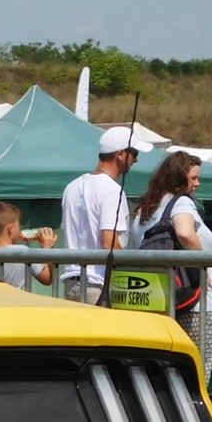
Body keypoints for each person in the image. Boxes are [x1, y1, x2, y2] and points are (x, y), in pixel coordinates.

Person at [130, 150, 212, 380]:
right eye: (193, 178)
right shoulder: (181, 203)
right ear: (179, 178)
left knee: (161, 373)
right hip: (194, 300)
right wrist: (203, 263)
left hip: (156, 299)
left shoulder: (145, 209)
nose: (197, 184)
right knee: (197, 371)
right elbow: (185, 232)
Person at [60, 125, 152, 304]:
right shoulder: (112, 190)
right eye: (134, 153)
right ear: (120, 154)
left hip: (71, 284)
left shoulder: (72, 187)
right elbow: (109, 243)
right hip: (98, 286)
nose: (136, 159)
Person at [0, 201, 55, 291]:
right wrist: (47, 249)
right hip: (19, 300)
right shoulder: (23, 252)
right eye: (18, 225)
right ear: (11, 228)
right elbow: (47, 278)